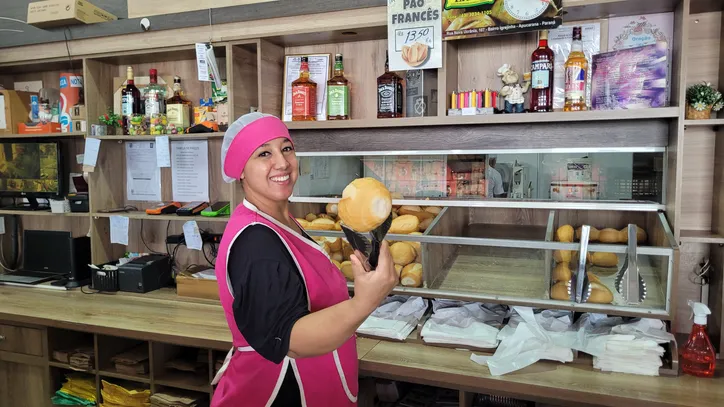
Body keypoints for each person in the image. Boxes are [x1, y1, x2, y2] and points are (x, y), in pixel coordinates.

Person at [211, 113, 400, 407]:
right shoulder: (255, 242)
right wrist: (365, 302)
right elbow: (290, 340)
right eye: (264, 153)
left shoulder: (283, 222)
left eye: (286, 148)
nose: (282, 162)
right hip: (277, 393)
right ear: (241, 171)